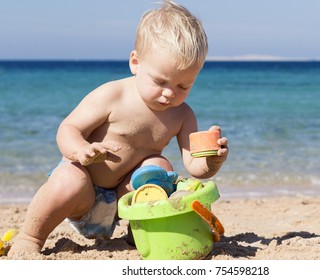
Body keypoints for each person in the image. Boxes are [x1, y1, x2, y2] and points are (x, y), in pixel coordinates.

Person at [9, 0, 228, 256]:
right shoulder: (112, 96)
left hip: (127, 202)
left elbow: (194, 167)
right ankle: (30, 239)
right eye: (159, 81)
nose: (170, 93)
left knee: (160, 166)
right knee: (70, 178)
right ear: (135, 62)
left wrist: (212, 162)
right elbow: (68, 128)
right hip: (83, 193)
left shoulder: (182, 115)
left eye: (183, 86)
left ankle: (140, 235)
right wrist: (81, 150)